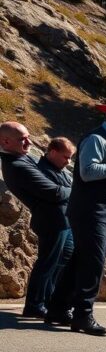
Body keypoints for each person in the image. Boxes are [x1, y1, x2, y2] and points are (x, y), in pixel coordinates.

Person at [47, 98, 106, 336]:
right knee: (92, 264)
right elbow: (87, 172)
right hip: (91, 213)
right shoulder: (96, 140)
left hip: (103, 214)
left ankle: (57, 309)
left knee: (80, 261)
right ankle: (82, 315)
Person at [0, 126, 75, 318]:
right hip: (50, 220)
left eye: (28, 137)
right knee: (48, 263)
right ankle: (35, 305)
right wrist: (77, 190)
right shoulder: (17, 165)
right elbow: (54, 193)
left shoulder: (22, 157)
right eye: (23, 139)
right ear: (6, 142)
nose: (29, 142)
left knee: (61, 261)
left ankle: (51, 301)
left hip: (61, 219)